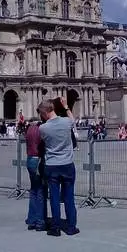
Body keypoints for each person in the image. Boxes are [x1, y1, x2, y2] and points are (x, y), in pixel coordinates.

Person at [38, 98, 79, 237]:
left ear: (45, 112)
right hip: (67, 164)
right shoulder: (67, 122)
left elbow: (44, 142)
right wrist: (66, 106)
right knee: (69, 197)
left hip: (51, 165)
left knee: (54, 197)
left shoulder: (43, 128)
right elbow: (73, 120)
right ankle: (71, 227)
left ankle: (55, 228)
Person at [24, 121, 47, 231]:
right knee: (41, 191)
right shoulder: (41, 130)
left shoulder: (30, 129)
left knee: (33, 190)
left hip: (29, 160)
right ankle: (40, 222)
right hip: (38, 161)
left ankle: (31, 220)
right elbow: (42, 146)